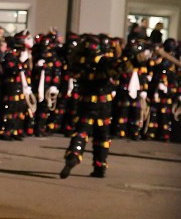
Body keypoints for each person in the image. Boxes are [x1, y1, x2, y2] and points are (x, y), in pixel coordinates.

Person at [59, 36, 141, 179]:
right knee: (102, 136)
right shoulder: (104, 61)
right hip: (103, 103)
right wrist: (132, 57)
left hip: (85, 102)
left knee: (81, 132)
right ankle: (100, 166)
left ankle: (74, 155)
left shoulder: (78, 61)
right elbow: (123, 67)